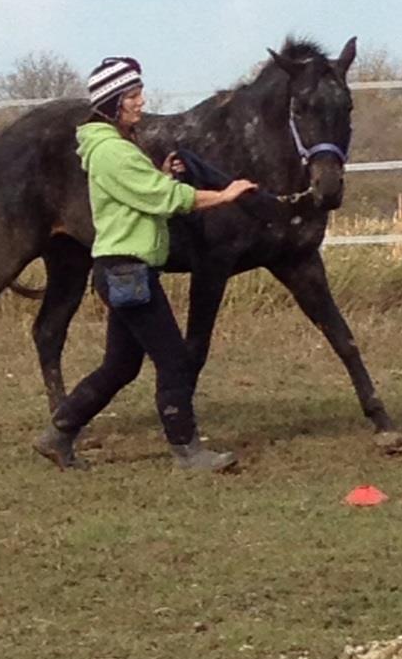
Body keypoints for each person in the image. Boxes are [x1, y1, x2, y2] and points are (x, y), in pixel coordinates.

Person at [34, 56, 257, 472]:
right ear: (113, 102)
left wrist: (162, 175)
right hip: (127, 271)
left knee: (120, 366)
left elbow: (145, 192)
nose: (141, 102)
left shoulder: (113, 149)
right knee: (174, 359)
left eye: (139, 94)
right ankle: (188, 452)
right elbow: (163, 199)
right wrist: (225, 195)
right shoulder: (113, 152)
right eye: (133, 96)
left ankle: (58, 434)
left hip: (125, 270)